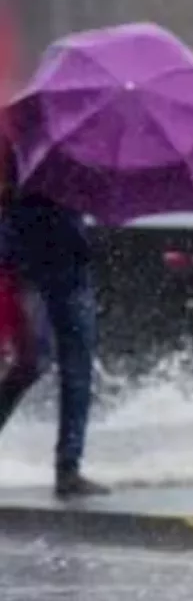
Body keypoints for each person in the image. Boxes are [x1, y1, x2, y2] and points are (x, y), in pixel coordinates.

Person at [0, 146, 104, 498]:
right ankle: (68, 468)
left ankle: (69, 467)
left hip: (65, 267)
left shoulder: (78, 150)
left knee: (73, 367)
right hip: (32, 268)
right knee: (38, 364)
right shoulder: (22, 147)